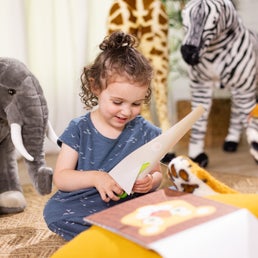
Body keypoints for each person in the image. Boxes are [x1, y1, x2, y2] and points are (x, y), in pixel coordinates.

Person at [43, 31, 163, 241]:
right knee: (54, 212)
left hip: (130, 200)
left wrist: (150, 181)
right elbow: (61, 177)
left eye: (136, 104)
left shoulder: (144, 130)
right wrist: (97, 177)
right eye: (117, 102)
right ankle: (115, 235)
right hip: (87, 200)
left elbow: (157, 173)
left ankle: (116, 234)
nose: (126, 112)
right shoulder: (79, 128)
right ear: (95, 86)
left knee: (165, 206)